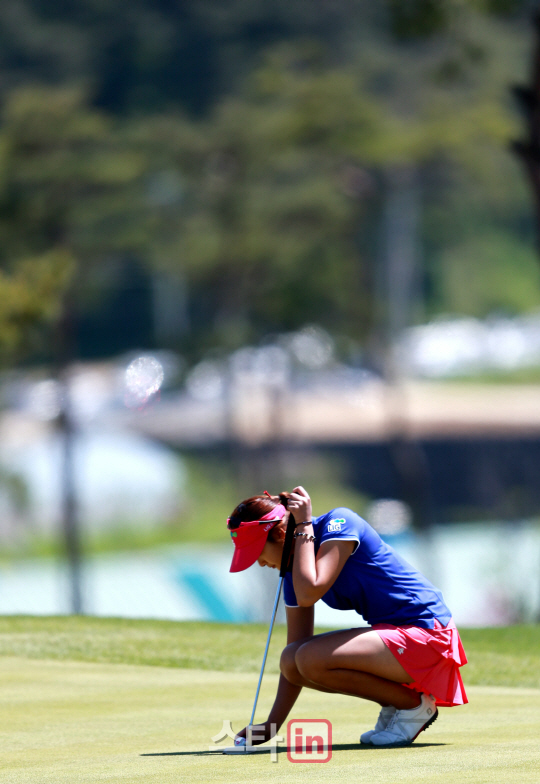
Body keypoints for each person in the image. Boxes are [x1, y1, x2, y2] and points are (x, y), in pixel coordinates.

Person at [226, 486, 467, 748]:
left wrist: (304, 524)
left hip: (428, 632)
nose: (259, 562)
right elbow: (293, 656)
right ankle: (395, 703)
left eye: (258, 552)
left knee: (307, 657)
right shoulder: (296, 571)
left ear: (282, 533)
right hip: (395, 640)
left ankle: (411, 706)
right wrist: (271, 726)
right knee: (293, 659)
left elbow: (309, 592)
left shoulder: (339, 524)